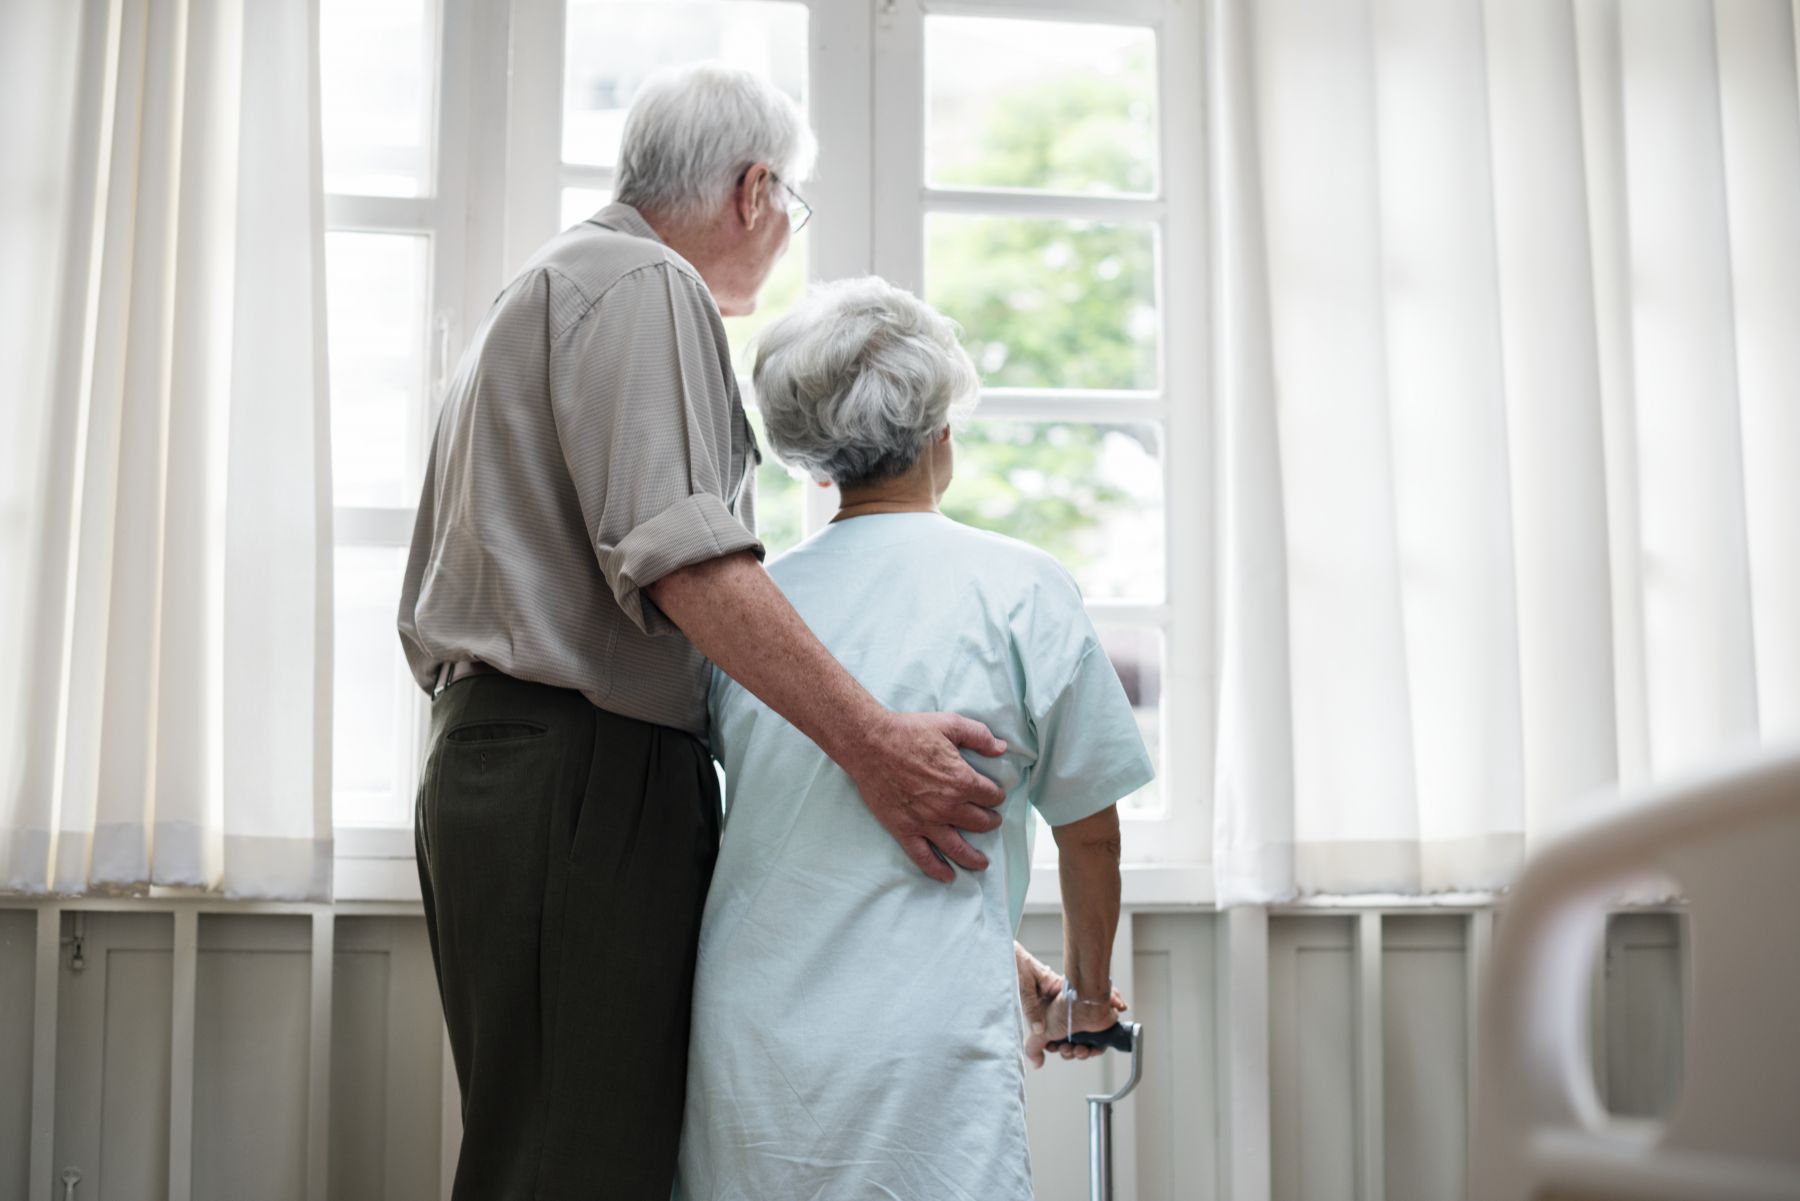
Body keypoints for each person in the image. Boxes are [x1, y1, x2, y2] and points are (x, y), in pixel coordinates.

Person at [397, 67, 1013, 1199]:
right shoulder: (641, 282)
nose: (786, 235)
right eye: (794, 206)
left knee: (558, 1144)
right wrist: (877, 744)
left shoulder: (549, 285)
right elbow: (687, 560)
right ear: (754, 188)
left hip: (524, 761)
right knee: (578, 1162)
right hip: (575, 767)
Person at [678, 277, 1154, 1201]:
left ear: (812, 463)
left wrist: (1005, 956)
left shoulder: (750, 616)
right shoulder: (1021, 587)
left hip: (752, 1033)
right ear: (942, 430)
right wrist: (1084, 1000)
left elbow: (799, 829)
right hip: (924, 1039)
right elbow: (1090, 833)